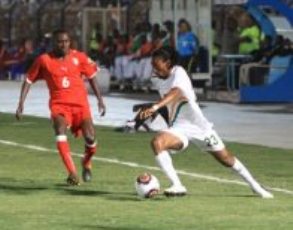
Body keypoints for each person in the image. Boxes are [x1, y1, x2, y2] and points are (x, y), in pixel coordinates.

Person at [138, 47, 273, 198]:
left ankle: (255, 186)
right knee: (157, 143)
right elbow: (169, 103)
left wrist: (155, 107)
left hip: (199, 127)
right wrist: (153, 111)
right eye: (152, 64)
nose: (153, 67)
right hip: (178, 127)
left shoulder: (179, 72)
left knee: (226, 159)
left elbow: (176, 93)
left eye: (156, 64)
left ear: (168, 62)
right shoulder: (155, 79)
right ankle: (177, 185)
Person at [15, 29, 106, 186]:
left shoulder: (80, 57)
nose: (63, 44)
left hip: (81, 106)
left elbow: (92, 77)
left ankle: (86, 162)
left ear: (70, 42)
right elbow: (29, 80)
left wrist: (100, 100)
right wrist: (21, 103)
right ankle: (72, 172)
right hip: (59, 106)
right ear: (54, 43)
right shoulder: (44, 60)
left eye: (66, 41)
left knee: (91, 138)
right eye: (60, 42)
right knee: (60, 131)